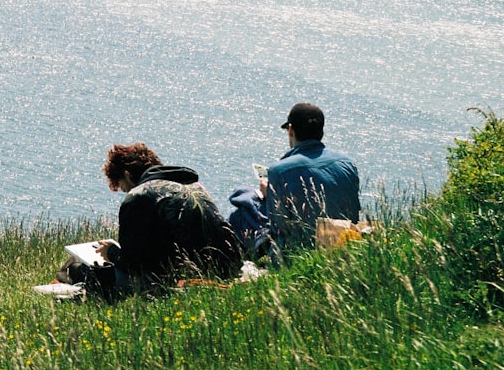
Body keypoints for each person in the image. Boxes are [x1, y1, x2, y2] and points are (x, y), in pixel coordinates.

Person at [94, 142, 242, 297]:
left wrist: (111, 251)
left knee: (90, 271)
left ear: (127, 175)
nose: (125, 191)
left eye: (122, 186)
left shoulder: (139, 195)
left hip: (178, 282)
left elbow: (133, 265)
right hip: (225, 272)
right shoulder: (195, 185)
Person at [265, 103, 361, 255]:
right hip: (344, 246)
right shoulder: (347, 163)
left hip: (299, 255)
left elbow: (278, 227)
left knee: (244, 206)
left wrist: (268, 195)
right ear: (321, 131)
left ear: (290, 130)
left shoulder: (278, 171)